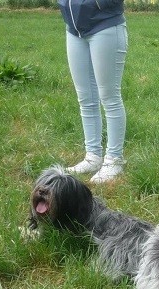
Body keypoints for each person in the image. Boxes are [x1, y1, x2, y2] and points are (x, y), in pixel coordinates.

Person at [57, 0, 128, 183]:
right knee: (85, 98)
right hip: (73, 29)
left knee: (110, 98)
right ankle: (93, 157)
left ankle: (114, 160)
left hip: (105, 25)